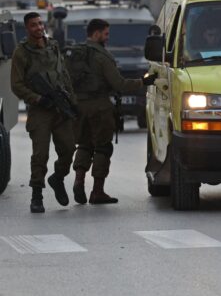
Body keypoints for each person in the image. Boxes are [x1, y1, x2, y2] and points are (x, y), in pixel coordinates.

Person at [71, 18, 157, 204]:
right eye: (106, 34)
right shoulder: (102, 56)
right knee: (102, 147)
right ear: (96, 33)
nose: (107, 38)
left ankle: (79, 180)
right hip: (100, 108)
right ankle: (97, 191)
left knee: (84, 145)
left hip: (79, 107)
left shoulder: (77, 53)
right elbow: (119, 84)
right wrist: (143, 81)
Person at [11, 12, 77, 213]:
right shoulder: (21, 53)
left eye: (40, 24)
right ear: (27, 28)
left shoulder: (53, 46)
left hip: (60, 107)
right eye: (33, 25)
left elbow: (63, 75)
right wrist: (38, 99)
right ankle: (36, 195)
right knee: (40, 154)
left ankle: (57, 178)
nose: (38, 28)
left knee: (68, 150)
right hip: (40, 111)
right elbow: (16, 85)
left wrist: (72, 102)